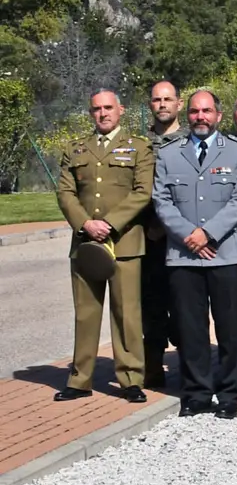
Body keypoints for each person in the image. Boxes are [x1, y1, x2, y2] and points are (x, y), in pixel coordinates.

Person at [152, 90, 237, 418]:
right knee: (190, 329)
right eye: (195, 111)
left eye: (207, 111)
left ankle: (229, 395)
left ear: (218, 116)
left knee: (230, 329)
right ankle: (196, 394)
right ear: (188, 115)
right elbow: (161, 201)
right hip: (183, 254)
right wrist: (189, 235)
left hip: (227, 253)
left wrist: (207, 234)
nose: (200, 117)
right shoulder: (169, 153)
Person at [55, 90, 154, 403]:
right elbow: (65, 192)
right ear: (91, 113)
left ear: (120, 110)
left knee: (127, 314)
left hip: (124, 242)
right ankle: (80, 379)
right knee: (86, 314)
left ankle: (130, 379)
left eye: (108, 107)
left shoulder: (139, 147)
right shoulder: (75, 148)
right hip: (85, 244)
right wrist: (86, 223)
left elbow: (143, 191)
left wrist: (109, 223)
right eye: (96, 109)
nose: (103, 113)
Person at [141, 79, 184, 388]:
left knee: (185, 307)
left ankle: (190, 369)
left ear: (179, 104)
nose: (162, 105)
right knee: (150, 304)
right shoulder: (140, 144)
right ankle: (153, 365)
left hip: (182, 239)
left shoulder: (192, 142)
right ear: (150, 105)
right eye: (157, 100)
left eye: (168, 99)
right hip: (148, 237)